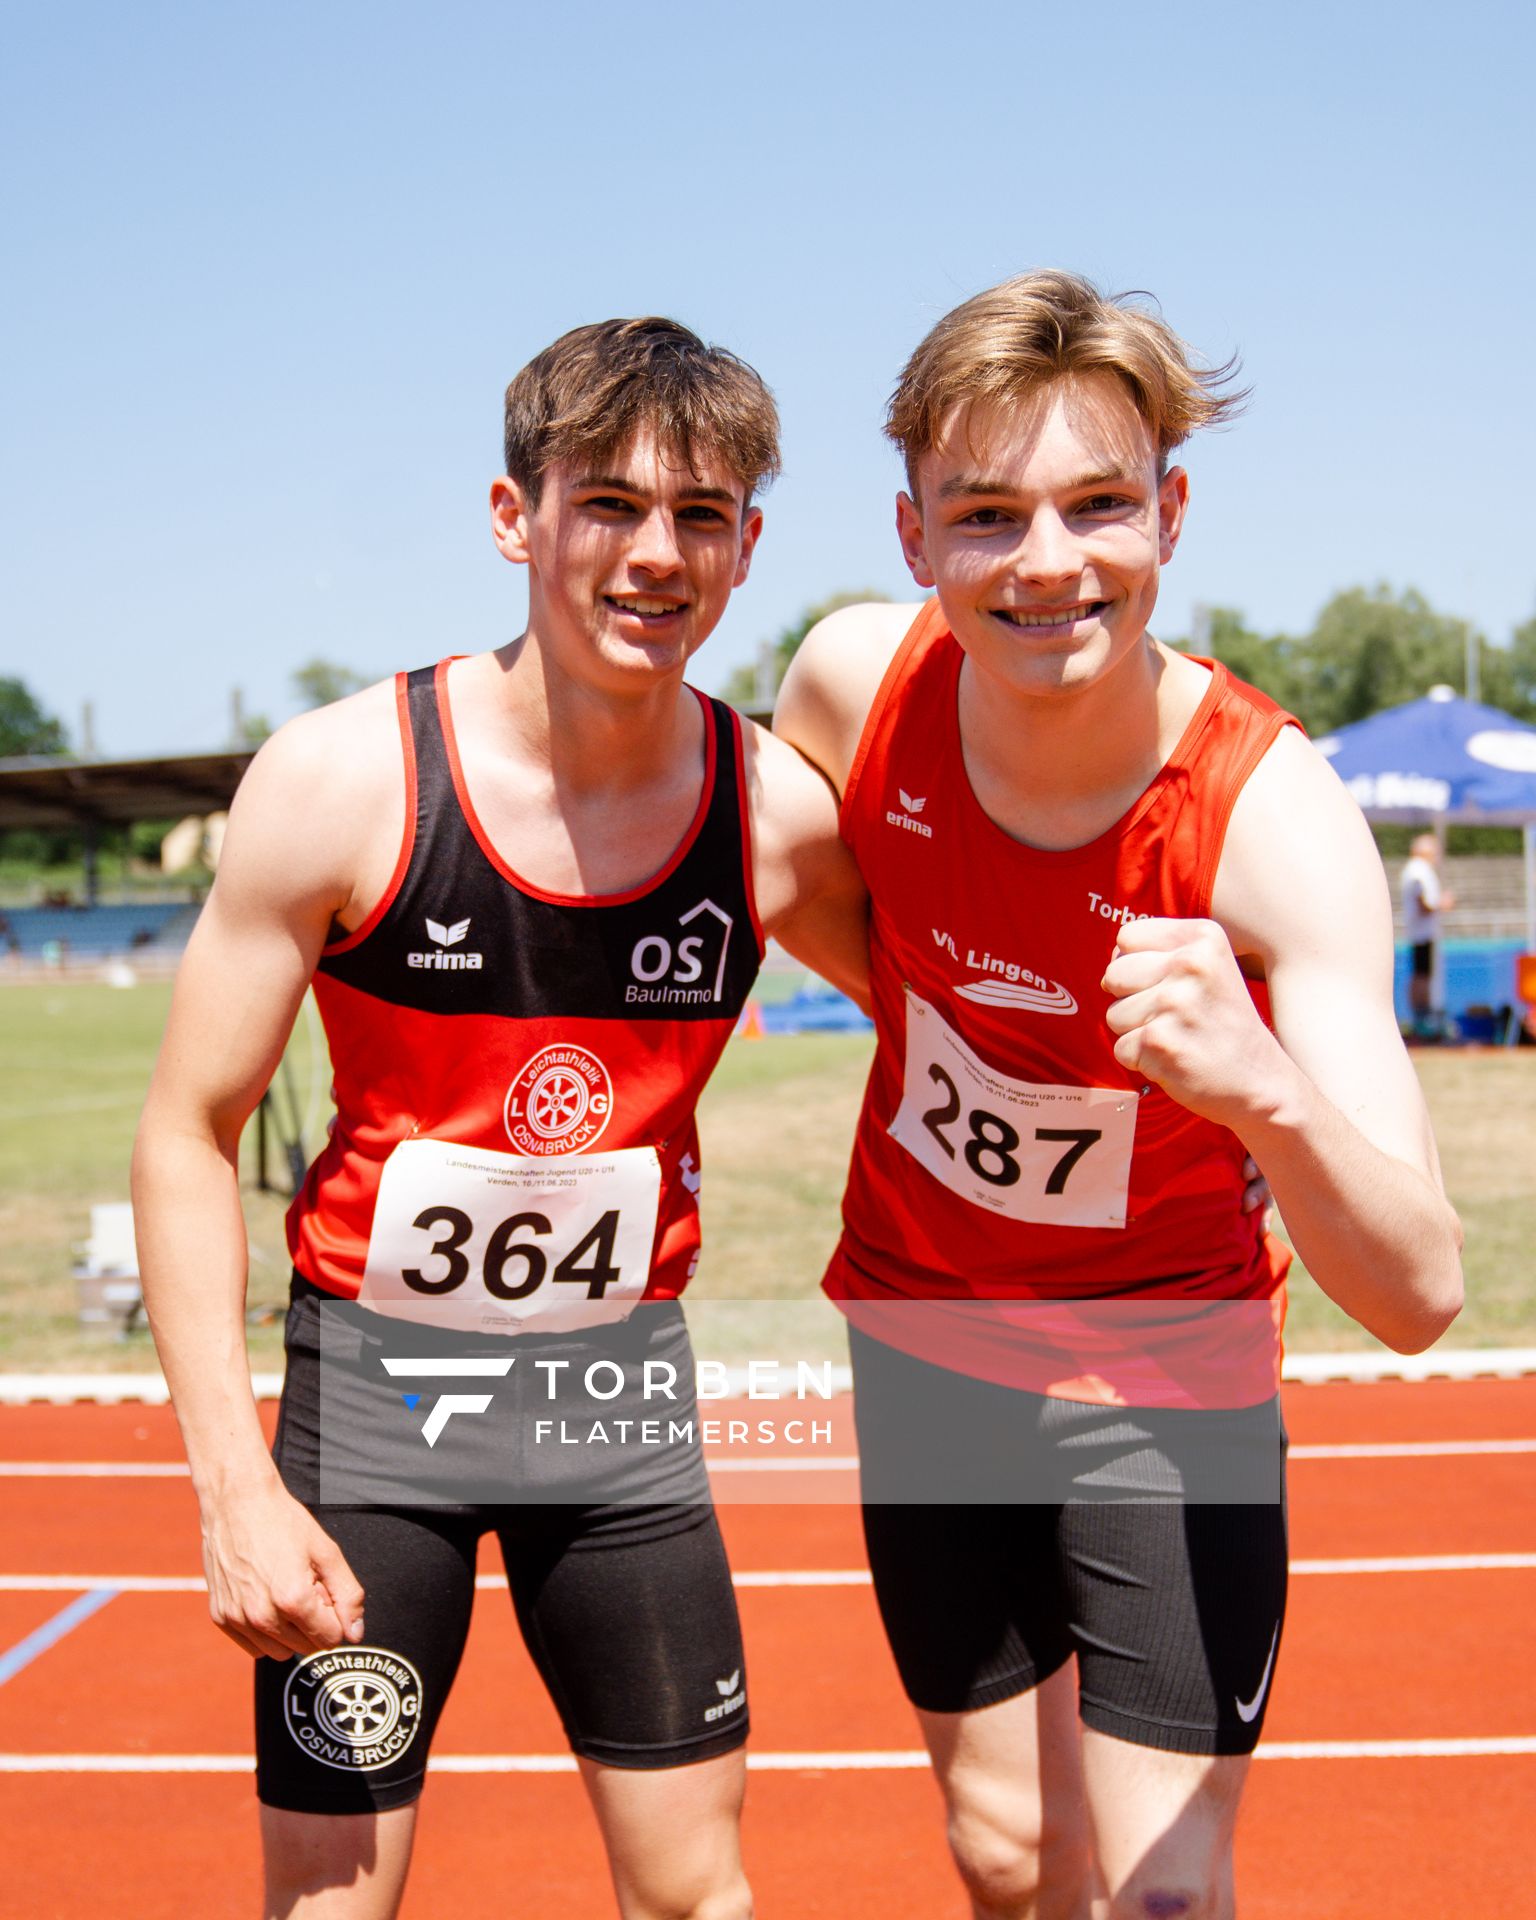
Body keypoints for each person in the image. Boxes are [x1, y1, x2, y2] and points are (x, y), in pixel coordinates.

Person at [132, 316, 867, 1920]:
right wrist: (234, 1488)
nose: (651, 554)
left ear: (749, 544)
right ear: (510, 515)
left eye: (699, 515)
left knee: (700, 1897)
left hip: (616, 1408)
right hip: (377, 1415)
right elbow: (187, 1131)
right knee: (336, 1907)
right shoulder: (346, 783)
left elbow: (965, 1013)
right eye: (604, 502)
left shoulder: (775, 815)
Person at [775, 271, 1463, 1920]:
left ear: (1167, 511)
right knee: (1009, 1856)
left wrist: (1263, 1094)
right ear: (912, 533)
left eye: (1096, 504)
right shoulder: (849, 686)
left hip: (1168, 1372)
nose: (1046, 562)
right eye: (987, 514)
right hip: (930, 1342)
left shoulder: (1272, 819)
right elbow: (804, 896)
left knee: (1162, 1892)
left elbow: (1423, 1292)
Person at [1400, 830, 1455, 1035]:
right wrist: (1442, 904)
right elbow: (1423, 902)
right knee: (1421, 975)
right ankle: (1421, 1017)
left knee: (1422, 974)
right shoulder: (1418, 871)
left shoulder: (1417, 870)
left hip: (1421, 931)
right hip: (1422, 932)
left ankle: (1421, 1015)